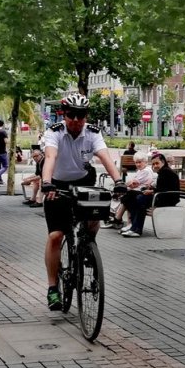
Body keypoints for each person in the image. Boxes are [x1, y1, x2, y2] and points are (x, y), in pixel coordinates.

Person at [40, 94, 123, 309]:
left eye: (81, 115)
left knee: (97, 212)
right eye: (71, 115)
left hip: (84, 181)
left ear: (86, 116)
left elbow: (105, 157)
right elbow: (50, 157)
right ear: (64, 114)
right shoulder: (55, 132)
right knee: (56, 235)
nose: (76, 120)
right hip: (56, 184)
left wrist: (120, 182)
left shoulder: (93, 133)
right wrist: (46, 182)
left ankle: (88, 245)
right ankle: (52, 288)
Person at [122, 153, 179, 238]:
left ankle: (136, 229)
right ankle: (133, 225)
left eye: (157, 163)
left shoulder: (166, 172)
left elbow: (164, 190)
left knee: (140, 199)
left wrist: (151, 191)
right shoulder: (163, 171)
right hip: (161, 196)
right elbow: (162, 187)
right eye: (153, 164)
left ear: (163, 162)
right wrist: (151, 188)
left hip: (167, 199)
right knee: (130, 194)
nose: (155, 166)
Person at [106, 150, 154, 231]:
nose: (138, 164)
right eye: (136, 162)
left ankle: (118, 218)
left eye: (140, 162)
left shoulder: (146, 171)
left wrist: (123, 185)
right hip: (138, 192)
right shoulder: (141, 170)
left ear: (146, 162)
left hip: (143, 193)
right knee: (126, 195)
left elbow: (133, 183)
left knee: (126, 195)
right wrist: (128, 185)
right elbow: (132, 183)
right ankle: (123, 220)